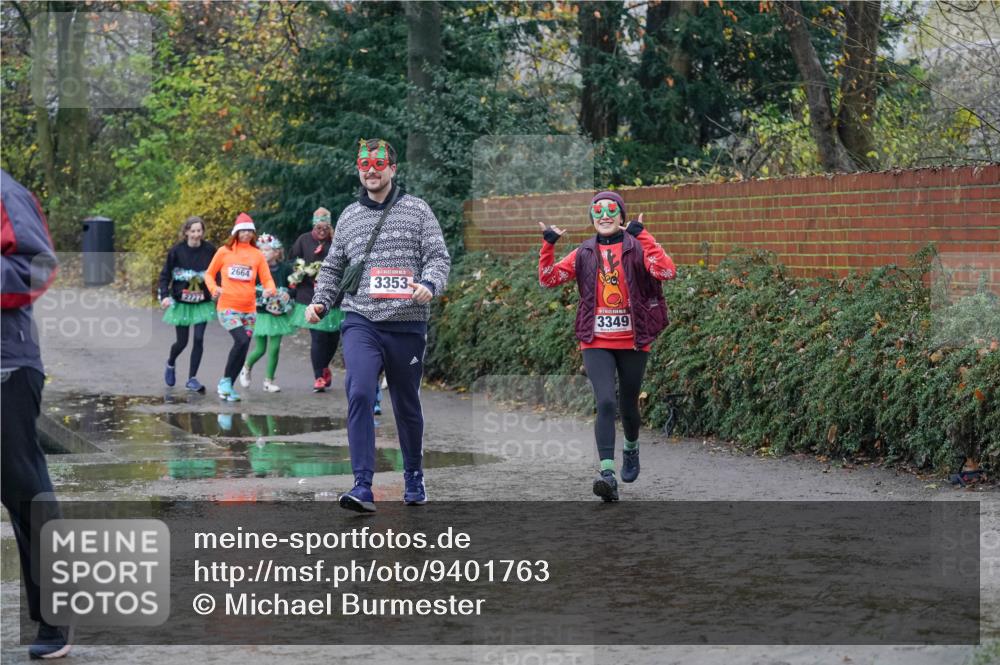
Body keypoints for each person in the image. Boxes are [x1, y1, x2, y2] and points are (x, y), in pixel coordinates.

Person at [306, 138, 451, 513]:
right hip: (361, 319)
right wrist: (321, 300)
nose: (371, 170)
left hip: (406, 324)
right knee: (359, 391)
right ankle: (362, 485)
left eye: (379, 163)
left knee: (406, 403)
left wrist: (429, 285)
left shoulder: (417, 210)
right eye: (364, 164)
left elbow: (438, 257)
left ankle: (414, 475)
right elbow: (335, 265)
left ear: (393, 169)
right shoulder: (350, 215)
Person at [538, 191, 676, 502]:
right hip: (595, 339)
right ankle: (607, 474)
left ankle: (630, 447)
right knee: (606, 403)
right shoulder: (583, 252)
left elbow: (667, 270)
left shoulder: (637, 247)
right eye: (598, 211)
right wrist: (548, 245)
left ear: (621, 216)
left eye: (611, 211)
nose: (604, 216)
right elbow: (548, 279)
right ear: (592, 218)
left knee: (628, 406)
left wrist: (646, 238)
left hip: (634, 339)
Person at [1, 169, 71, 658]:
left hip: (7, 364)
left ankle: (55, 618)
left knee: (25, 490)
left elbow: (37, 264)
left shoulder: (5, 193)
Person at [204, 213, 276, 402]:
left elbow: (267, 277)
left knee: (242, 347)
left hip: (249, 309)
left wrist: (270, 288)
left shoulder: (257, 255)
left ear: (253, 233)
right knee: (242, 341)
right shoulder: (224, 251)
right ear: (236, 232)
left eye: (249, 231)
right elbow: (209, 274)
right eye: (242, 231)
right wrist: (214, 288)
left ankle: (228, 385)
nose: (246, 234)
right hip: (228, 306)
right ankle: (225, 382)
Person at [158, 216, 217, 393]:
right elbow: (164, 276)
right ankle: (170, 362)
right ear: (186, 232)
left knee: (198, 338)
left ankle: (192, 378)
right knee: (182, 342)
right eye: (193, 231)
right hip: (181, 302)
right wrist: (165, 296)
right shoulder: (176, 251)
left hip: (202, 303)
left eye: (199, 231)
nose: (196, 234)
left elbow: (217, 272)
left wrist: (216, 290)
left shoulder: (209, 250)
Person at [289, 207, 344, 392]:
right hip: (309, 297)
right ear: (314, 226)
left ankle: (325, 365)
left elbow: (345, 263)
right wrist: (301, 270)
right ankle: (318, 376)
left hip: (333, 298)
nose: (322, 231)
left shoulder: (337, 242)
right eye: (319, 227)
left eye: (325, 227)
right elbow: (293, 261)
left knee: (333, 338)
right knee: (318, 337)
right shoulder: (303, 240)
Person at [239, 234, 295, 393]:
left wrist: (289, 294)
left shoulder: (285, 269)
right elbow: (247, 288)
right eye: (261, 250)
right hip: (261, 313)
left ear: (277, 252)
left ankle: (268, 381)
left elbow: (293, 286)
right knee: (261, 348)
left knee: (275, 347)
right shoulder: (256, 268)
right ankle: (246, 367)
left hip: (278, 314)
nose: (263, 253)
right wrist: (260, 294)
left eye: (268, 250)